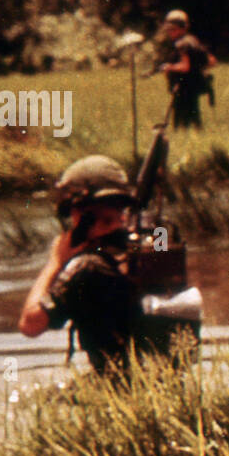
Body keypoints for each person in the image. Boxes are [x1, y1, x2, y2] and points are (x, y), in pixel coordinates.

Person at [18, 155, 145, 376]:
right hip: (157, 381)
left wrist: (55, 262)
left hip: (117, 385)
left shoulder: (86, 268)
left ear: (81, 216)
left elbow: (30, 325)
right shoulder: (140, 252)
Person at [157, 9, 215, 129]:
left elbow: (185, 66)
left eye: (173, 29)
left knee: (181, 123)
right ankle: (198, 140)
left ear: (182, 28)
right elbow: (211, 61)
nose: (170, 32)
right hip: (193, 86)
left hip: (184, 87)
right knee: (194, 118)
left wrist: (169, 67)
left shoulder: (182, 44)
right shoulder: (192, 40)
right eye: (168, 29)